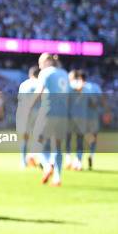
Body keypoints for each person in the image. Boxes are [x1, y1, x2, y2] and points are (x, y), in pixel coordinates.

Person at [30, 53, 70, 186]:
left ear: (47, 62)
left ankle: (47, 165)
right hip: (63, 114)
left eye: (41, 62)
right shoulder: (64, 73)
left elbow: (39, 91)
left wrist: (28, 106)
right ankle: (57, 178)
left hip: (48, 111)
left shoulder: (45, 73)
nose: (40, 65)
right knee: (57, 146)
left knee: (37, 141)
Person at [16, 66, 40, 168]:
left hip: (24, 112)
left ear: (30, 74)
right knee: (38, 136)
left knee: (24, 137)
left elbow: (20, 99)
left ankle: (23, 160)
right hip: (37, 111)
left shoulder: (24, 84)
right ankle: (34, 156)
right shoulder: (40, 83)